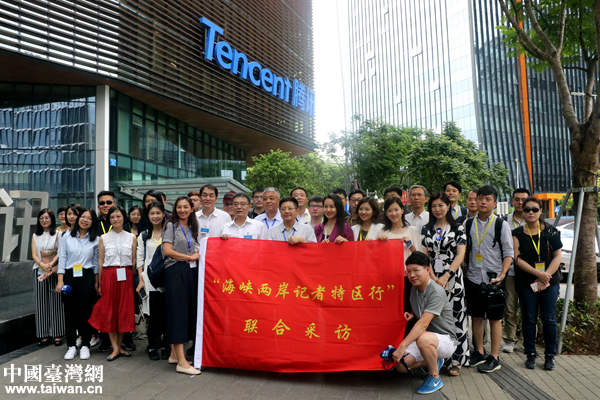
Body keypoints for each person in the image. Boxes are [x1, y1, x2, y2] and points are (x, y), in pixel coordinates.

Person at [392, 251, 458, 395]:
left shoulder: (436, 291)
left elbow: (423, 324)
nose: (412, 275)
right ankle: (434, 360)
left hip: (445, 339)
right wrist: (412, 314)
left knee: (423, 338)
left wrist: (402, 346)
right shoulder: (414, 288)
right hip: (426, 338)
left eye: (416, 270)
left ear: (428, 269)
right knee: (400, 367)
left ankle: (434, 376)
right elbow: (420, 306)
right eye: (408, 271)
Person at [464, 185, 513, 373]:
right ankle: (479, 351)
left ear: (494, 203)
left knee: (494, 319)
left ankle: (494, 356)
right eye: (480, 198)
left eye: (487, 199)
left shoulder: (501, 224)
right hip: (474, 278)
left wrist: (502, 274)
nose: (482, 202)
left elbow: (508, 253)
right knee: (475, 317)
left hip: (494, 281)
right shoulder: (468, 224)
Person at [421, 193, 468, 375]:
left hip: (453, 279)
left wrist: (447, 275)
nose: (437, 209)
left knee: (457, 317)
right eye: (434, 206)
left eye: (441, 205)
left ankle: (457, 360)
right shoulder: (426, 228)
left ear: (448, 206)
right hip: (432, 279)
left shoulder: (458, 228)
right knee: (435, 318)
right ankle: (439, 358)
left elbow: (460, 255)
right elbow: (425, 255)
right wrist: (433, 276)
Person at [513, 197, 562, 371]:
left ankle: (550, 356)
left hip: (550, 281)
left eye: (535, 209)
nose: (531, 213)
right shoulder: (517, 233)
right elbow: (517, 259)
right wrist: (538, 274)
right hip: (527, 281)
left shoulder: (551, 231)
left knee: (549, 319)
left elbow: (557, 256)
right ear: (523, 212)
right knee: (529, 318)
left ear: (541, 211)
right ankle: (530, 354)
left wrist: (545, 276)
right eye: (527, 210)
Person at [89, 206, 137, 361]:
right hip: (109, 275)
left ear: (124, 217)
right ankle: (115, 347)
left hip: (126, 275)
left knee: (124, 310)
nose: (115, 219)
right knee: (109, 310)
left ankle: (119, 346)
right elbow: (101, 261)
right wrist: (99, 282)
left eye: (118, 216)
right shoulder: (103, 238)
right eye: (112, 217)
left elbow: (134, 260)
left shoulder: (132, 237)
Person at [162, 196, 201, 375]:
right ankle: (182, 363)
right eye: (179, 207)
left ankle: (174, 355)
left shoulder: (193, 227)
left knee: (186, 312)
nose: (182, 210)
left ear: (192, 209)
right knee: (177, 314)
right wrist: (189, 257)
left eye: (186, 207)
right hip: (175, 271)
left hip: (190, 271)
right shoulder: (170, 226)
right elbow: (167, 251)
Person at [55, 208, 99, 361]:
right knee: (70, 312)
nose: (85, 220)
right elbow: (62, 258)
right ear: (78, 218)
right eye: (83, 217)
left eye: (89, 218)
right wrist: (60, 280)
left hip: (87, 277)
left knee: (86, 312)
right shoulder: (66, 236)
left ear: (93, 222)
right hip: (69, 276)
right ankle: (71, 346)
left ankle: (85, 344)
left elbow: (96, 263)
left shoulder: (96, 239)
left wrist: (96, 282)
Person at [137, 201, 169, 361]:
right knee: (153, 316)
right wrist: (141, 280)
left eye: (158, 213)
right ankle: (151, 345)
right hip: (150, 280)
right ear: (148, 216)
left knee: (167, 314)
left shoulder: (169, 233)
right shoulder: (144, 235)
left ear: (163, 214)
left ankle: (166, 345)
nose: (155, 216)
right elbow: (140, 260)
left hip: (167, 277)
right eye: (152, 213)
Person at [501, 188, 531, 354]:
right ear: (512, 201)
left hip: (530, 273)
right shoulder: (504, 222)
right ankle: (510, 340)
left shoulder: (534, 220)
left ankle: (528, 341)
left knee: (529, 308)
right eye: (517, 199)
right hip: (511, 272)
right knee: (510, 308)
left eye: (523, 200)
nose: (520, 203)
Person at [31, 208, 64, 347]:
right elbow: (34, 254)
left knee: (56, 302)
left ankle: (57, 333)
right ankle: (43, 334)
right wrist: (42, 265)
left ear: (52, 219)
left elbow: (60, 252)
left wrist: (50, 265)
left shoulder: (58, 234)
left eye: (47, 218)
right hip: (38, 270)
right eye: (41, 218)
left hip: (54, 271)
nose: (44, 221)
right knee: (40, 302)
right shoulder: (35, 235)